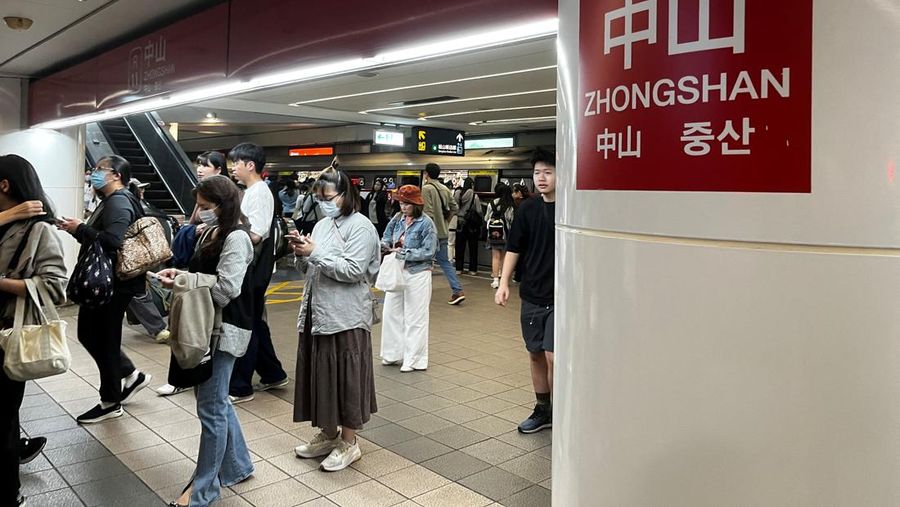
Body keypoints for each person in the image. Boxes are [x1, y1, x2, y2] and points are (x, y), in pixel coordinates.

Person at [157, 175, 255, 506]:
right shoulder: (215, 232)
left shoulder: (237, 238)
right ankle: (238, 466)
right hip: (209, 328)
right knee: (215, 402)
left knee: (210, 408)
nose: (199, 212)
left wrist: (186, 279)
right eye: (198, 206)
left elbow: (227, 289)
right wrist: (181, 276)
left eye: (205, 206)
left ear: (222, 205)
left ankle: (204, 489)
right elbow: (205, 277)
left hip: (224, 330)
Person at [291, 165, 380, 472]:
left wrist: (315, 253)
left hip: (347, 315)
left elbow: (354, 271)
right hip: (318, 311)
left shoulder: (362, 227)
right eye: (319, 198)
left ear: (346, 194)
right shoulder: (322, 225)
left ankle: (350, 442)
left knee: (347, 377)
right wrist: (302, 253)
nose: (324, 203)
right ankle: (329, 434)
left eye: (328, 197)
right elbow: (310, 269)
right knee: (321, 375)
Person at [58, 155, 153, 424]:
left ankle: (111, 401)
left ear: (116, 176)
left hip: (112, 285)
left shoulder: (119, 201)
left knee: (103, 338)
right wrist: (76, 229)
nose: (94, 173)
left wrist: (82, 228)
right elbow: (102, 239)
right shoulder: (113, 201)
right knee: (93, 334)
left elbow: (112, 241)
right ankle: (130, 375)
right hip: (110, 283)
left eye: (100, 170)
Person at [0, 155, 68, 507]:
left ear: (4, 184)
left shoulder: (39, 230)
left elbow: (56, 286)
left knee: (4, 421)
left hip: (8, 339)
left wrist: (4, 284)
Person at [495, 149, 556, 434]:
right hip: (532, 293)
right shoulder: (528, 209)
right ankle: (543, 409)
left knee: (554, 355)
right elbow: (514, 248)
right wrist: (503, 282)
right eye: (537, 173)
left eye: (548, 172)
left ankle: (562, 411)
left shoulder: (574, 208)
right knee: (535, 354)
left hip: (562, 298)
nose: (541, 178)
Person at [227, 143, 288, 404]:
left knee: (246, 323)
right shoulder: (251, 191)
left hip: (252, 270)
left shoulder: (260, 192)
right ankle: (273, 374)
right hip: (250, 268)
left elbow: (257, 233)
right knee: (254, 323)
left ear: (250, 165)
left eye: (236, 163)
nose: (232, 168)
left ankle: (241, 386)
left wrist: (230, 236)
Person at [380, 185, 437, 372]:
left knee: (416, 317)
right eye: (401, 203)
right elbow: (386, 236)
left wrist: (404, 253)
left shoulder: (427, 223)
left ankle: (414, 359)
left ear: (416, 204)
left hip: (418, 272)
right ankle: (392, 354)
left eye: (407, 204)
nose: (403, 207)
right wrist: (385, 246)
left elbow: (429, 251)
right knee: (390, 313)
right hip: (398, 269)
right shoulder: (397, 218)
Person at [421, 163, 464, 305]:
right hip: (443, 232)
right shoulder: (445, 189)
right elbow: (454, 207)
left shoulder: (426, 189)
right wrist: (445, 221)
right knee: (445, 262)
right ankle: (457, 290)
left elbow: (428, 213)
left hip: (430, 234)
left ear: (426, 174)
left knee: (421, 261)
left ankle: (418, 292)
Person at [484, 182, 516, 289]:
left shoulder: (491, 203)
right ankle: (503, 278)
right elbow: (512, 220)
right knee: (504, 256)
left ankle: (495, 280)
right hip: (506, 233)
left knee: (495, 256)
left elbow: (486, 218)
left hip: (493, 234)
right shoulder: (510, 205)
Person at [454, 177, 483, 276]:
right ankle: (472, 269)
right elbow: (479, 210)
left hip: (460, 223)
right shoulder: (474, 195)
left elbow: (454, 207)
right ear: (471, 185)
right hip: (471, 224)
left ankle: (458, 268)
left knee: (459, 247)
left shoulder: (458, 193)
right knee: (473, 247)